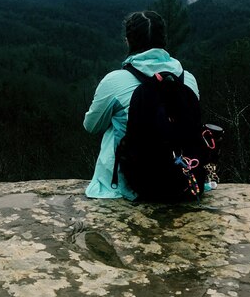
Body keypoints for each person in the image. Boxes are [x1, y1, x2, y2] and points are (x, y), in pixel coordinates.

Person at [83, 11, 199, 199]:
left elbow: (91, 126)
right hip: (183, 179)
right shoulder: (188, 80)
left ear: (128, 41)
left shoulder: (113, 81)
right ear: (164, 40)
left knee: (116, 124)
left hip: (126, 187)